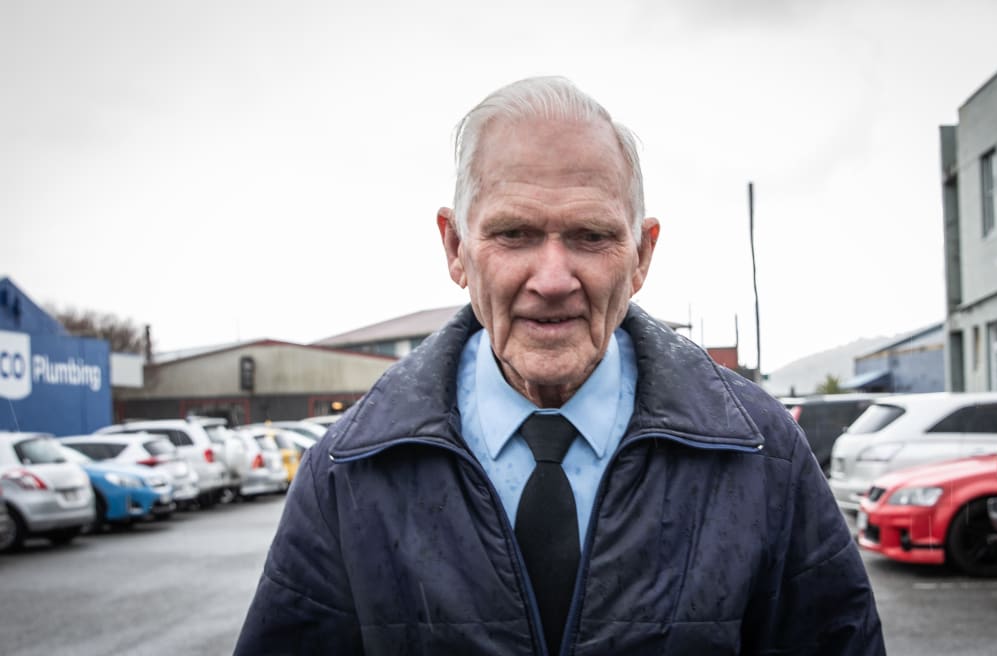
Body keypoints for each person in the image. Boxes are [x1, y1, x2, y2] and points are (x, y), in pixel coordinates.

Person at [234, 76, 885, 655]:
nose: (552, 279)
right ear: (455, 247)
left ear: (641, 256)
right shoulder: (349, 471)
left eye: (590, 236)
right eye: (514, 233)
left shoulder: (762, 455)